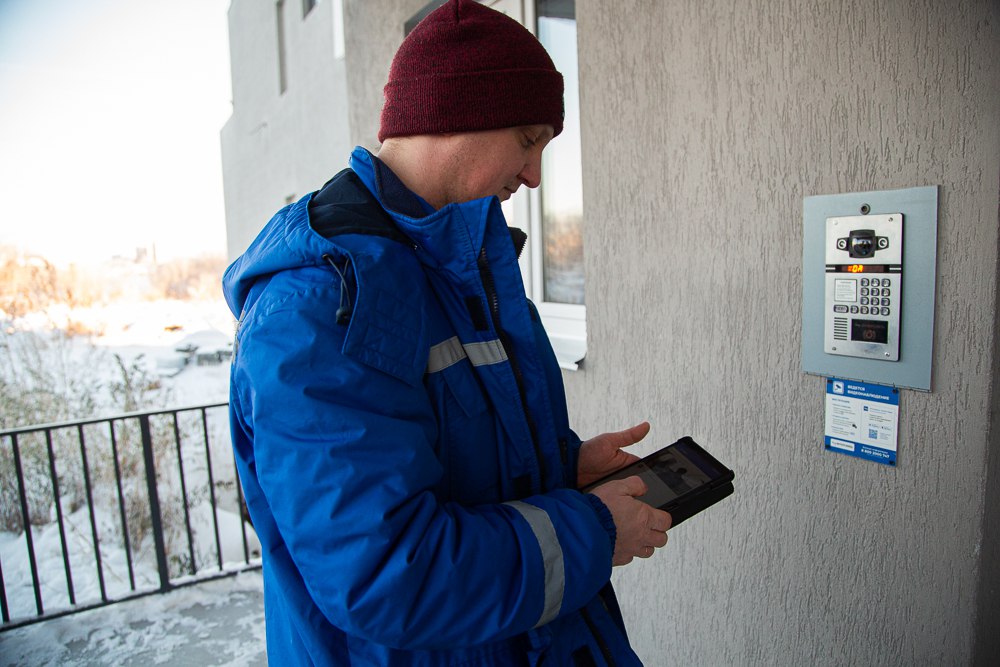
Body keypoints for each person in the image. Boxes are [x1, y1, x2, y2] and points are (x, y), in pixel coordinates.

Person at [222, 0, 671, 664]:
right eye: (528, 139)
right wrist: (596, 530)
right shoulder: (315, 308)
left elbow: (448, 462)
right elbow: (388, 574)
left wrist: (562, 467)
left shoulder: (463, 264)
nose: (535, 174)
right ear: (461, 116)